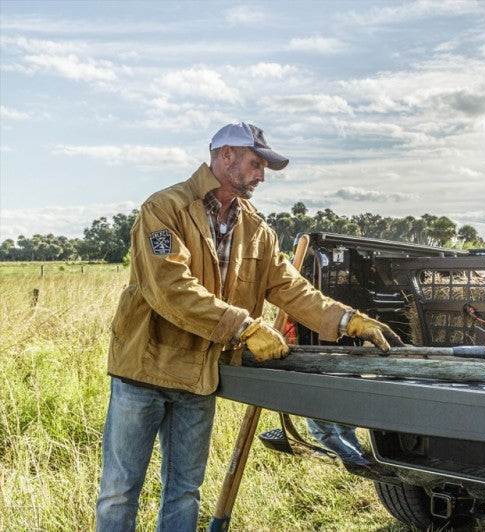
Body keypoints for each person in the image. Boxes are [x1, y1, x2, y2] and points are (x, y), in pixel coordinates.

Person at [95, 122, 403, 532]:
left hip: (199, 376)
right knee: (120, 491)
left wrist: (348, 320)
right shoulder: (163, 208)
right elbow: (170, 288)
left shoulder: (256, 229)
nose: (261, 176)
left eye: (263, 168)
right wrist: (245, 327)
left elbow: (290, 288)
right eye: (256, 164)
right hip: (145, 368)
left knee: (185, 490)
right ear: (226, 156)